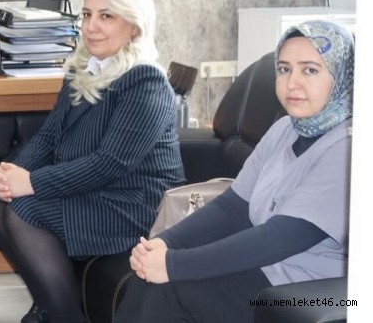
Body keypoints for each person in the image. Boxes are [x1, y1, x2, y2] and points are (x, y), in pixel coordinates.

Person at [115, 20, 353, 323]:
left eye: (310, 70)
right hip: (267, 269)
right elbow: (233, 207)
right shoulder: (284, 129)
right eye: (284, 69)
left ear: (342, 75)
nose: (292, 83)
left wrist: (172, 265)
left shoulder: (350, 147)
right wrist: (165, 242)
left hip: (310, 288)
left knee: (169, 291)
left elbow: (281, 238)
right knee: (145, 280)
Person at [0, 0, 184, 323]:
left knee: (23, 211)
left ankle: (64, 316)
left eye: (106, 16)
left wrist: (30, 183)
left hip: (132, 204)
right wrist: (9, 175)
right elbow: (48, 137)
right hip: (95, 192)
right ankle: (49, 306)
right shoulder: (83, 69)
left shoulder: (146, 81)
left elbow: (110, 164)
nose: (91, 27)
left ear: (133, 27)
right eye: (87, 15)